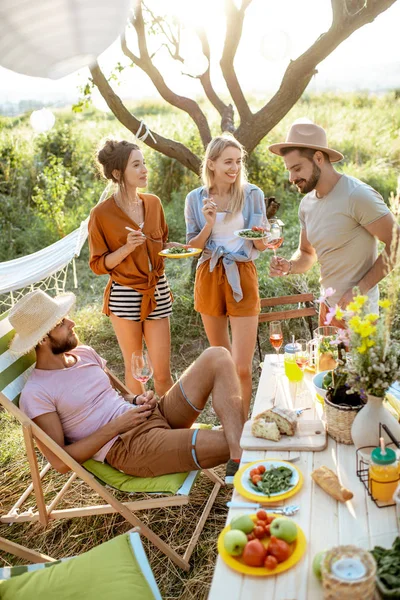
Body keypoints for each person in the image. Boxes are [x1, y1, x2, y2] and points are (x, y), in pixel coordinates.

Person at [9, 290, 244, 482]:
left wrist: (135, 400)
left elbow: (120, 393)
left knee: (217, 355)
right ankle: (242, 455)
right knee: (240, 439)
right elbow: (61, 462)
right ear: (42, 339)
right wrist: (117, 426)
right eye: (61, 323)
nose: (72, 323)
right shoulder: (36, 393)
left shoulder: (85, 353)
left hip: (149, 415)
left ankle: (238, 456)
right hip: (130, 447)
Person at [268, 121, 399, 325]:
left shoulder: (357, 195)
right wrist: (290, 265)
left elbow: (397, 243)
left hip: (359, 314)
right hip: (327, 308)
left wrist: (359, 289)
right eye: (289, 170)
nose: (291, 177)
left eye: (297, 168)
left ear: (318, 158)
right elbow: (307, 253)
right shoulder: (306, 204)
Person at [88, 139, 184, 396]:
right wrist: (126, 248)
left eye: (144, 163)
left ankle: (173, 432)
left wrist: (181, 248)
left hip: (157, 291)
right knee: (136, 375)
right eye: (136, 165)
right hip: (125, 295)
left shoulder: (153, 203)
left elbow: (160, 243)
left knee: (163, 375)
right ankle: (144, 432)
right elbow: (98, 265)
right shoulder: (101, 215)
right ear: (118, 173)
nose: (144, 170)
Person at [185, 134, 268, 418]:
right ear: (211, 164)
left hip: (241, 273)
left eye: (238, 161)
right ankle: (231, 434)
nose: (234, 168)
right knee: (223, 362)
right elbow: (191, 248)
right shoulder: (195, 199)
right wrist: (208, 225)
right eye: (228, 162)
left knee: (241, 366)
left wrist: (264, 238)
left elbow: (259, 244)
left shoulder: (252, 194)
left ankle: (243, 431)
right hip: (209, 274)